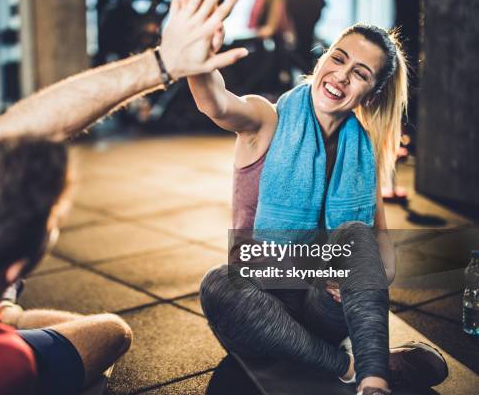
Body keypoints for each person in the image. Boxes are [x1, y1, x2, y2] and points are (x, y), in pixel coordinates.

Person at [0, 0, 248, 394]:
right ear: (17, 269)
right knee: (112, 332)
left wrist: (163, 63)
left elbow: (26, 125)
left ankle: (2, 310)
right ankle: (6, 312)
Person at [190, 24, 449, 395]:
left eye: (360, 73)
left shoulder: (362, 152)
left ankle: (374, 384)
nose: (341, 76)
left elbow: (380, 246)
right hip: (260, 304)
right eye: (338, 58)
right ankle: (350, 364)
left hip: (321, 308)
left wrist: (366, 277)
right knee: (218, 284)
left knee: (356, 238)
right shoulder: (267, 120)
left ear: (372, 93)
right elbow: (214, 102)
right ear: (323, 58)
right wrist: (197, 60)